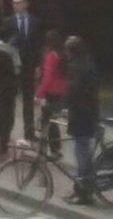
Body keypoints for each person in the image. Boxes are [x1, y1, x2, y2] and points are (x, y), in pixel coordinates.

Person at [2, 0, 42, 141]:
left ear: (26, 4)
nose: (16, 6)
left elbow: (38, 44)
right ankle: (5, 133)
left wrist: (38, 64)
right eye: (14, 3)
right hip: (12, 67)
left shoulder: (35, 22)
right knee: (9, 100)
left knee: (28, 100)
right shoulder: (8, 22)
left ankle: (29, 132)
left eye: (19, 2)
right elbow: (3, 43)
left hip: (29, 65)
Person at [63, 35, 98, 206]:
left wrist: (57, 106)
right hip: (90, 113)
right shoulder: (88, 63)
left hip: (81, 114)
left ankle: (84, 193)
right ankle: (82, 189)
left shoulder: (76, 67)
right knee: (84, 152)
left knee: (82, 153)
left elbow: (72, 91)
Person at [35, 30, 67, 159]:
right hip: (61, 91)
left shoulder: (50, 56)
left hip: (50, 91)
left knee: (45, 122)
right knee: (51, 121)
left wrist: (38, 94)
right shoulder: (63, 54)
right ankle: (54, 148)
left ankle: (45, 150)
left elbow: (47, 78)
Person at [0, 36, 19, 160]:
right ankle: (2, 149)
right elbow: (16, 71)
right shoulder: (11, 53)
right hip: (8, 91)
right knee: (6, 120)